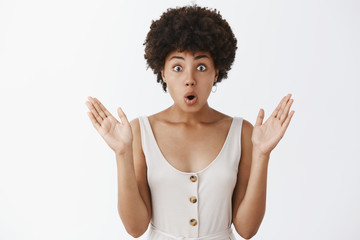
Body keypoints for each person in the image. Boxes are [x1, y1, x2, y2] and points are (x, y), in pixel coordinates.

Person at [85, 4, 294, 240]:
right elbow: (136, 228)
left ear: (216, 73)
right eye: (177, 67)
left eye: (201, 67)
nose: (189, 79)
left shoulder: (242, 132)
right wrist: (122, 153)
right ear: (163, 73)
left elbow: (246, 229)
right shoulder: (139, 132)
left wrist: (262, 154)